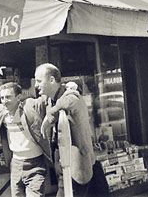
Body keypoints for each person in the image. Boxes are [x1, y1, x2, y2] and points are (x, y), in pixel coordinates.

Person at [0, 82, 52, 197]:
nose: (4, 100)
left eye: (8, 97)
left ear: (19, 97)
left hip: (36, 164)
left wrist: (68, 89)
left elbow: (46, 99)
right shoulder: (0, 111)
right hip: (15, 164)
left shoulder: (29, 106)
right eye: (2, 97)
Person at [34, 63, 96, 197]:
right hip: (63, 166)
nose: (36, 85)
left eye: (39, 81)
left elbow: (71, 100)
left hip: (77, 165)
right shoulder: (49, 100)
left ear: (51, 80)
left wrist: (50, 115)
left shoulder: (71, 95)